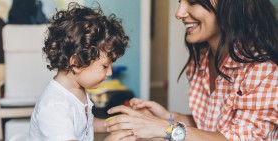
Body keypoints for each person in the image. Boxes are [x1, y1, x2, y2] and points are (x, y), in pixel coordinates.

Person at [105, 0, 278, 140]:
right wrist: (167, 116)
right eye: (180, 1)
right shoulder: (201, 59)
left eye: (193, 2)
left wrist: (164, 128)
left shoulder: (263, 70)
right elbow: (211, 125)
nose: (179, 13)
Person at [27, 2, 129, 141]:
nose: (110, 72)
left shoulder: (76, 90)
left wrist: (114, 125)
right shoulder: (55, 106)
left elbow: (84, 124)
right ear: (77, 63)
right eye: (105, 66)